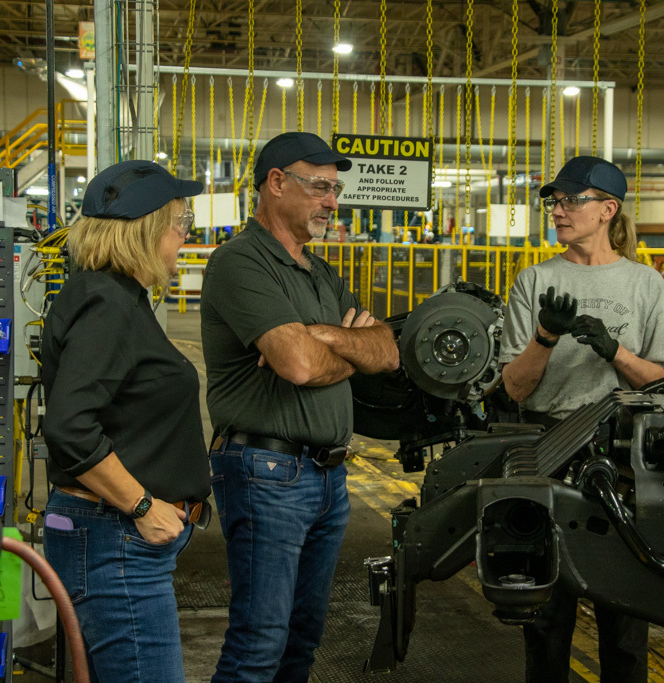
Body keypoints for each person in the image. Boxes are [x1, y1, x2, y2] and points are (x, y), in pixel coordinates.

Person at [201, 131, 400, 682]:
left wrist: (324, 336)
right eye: (318, 187)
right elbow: (301, 367)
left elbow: (385, 349)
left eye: (335, 188)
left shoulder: (318, 271)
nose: (332, 201)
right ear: (276, 183)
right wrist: (338, 345)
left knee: (303, 637)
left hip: (327, 479)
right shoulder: (241, 263)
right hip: (266, 473)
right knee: (259, 642)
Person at [499, 156, 664, 683]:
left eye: (570, 201)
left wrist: (615, 351)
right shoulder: (534, 280)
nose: (557, 211)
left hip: (623, 453)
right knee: (545, 615)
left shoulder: (645, 285)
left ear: (607, 209)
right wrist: (545, 336)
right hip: (547, 449)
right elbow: (514, 389)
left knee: (625, 619)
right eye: (554, 202)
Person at [41, 160, 213, 681]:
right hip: (115, 539)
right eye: (180, 224)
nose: (185, 237)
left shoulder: (113, 296)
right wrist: (141, 506)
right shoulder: (108, 304)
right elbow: (71, 426)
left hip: (112, 539)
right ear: (147, 229)